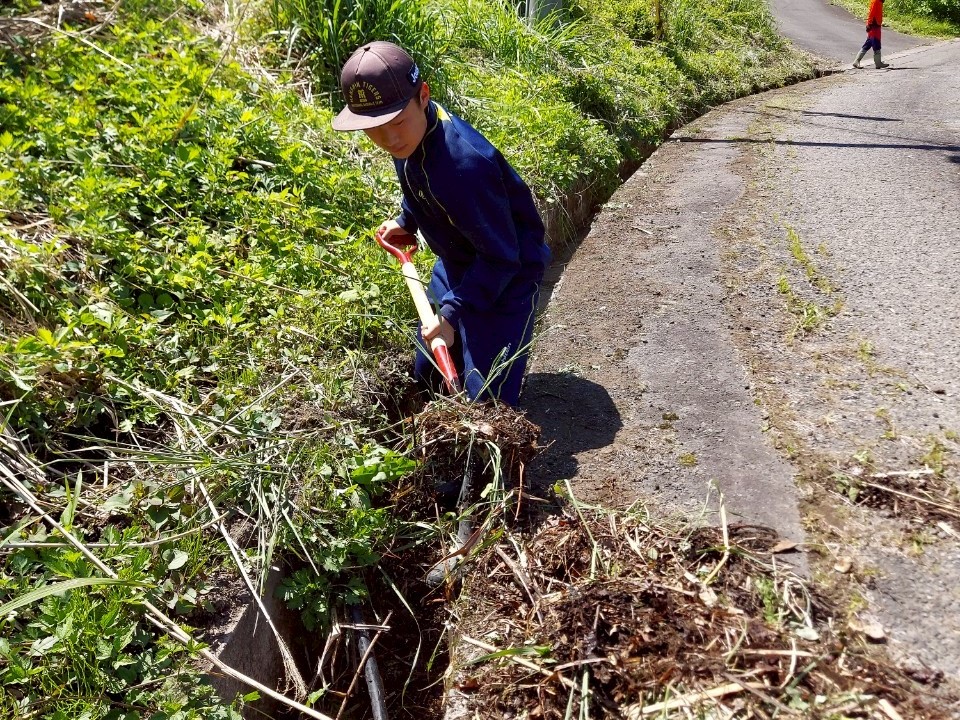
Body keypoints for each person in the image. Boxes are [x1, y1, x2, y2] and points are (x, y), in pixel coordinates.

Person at [331, 41, 551, 406]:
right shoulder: (410, 135)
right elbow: (418, 185)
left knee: (488, 403)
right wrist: (407, 220)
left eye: (396, 122)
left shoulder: (466, 166)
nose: (390, 139)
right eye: (376, 129)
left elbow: (501, 257)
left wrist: (451, 314)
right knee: (429, 373)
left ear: (423, 96)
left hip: (507, 274)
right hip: (458, 263)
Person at [853, 0, 890, 69]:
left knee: (868, 44)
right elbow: (871, 13)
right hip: (874, 26)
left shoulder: (879, 1)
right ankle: (878, 63)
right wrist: (869, 24)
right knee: (876, 43)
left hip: (875, 25)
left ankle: (856, 61)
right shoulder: (876, 1)